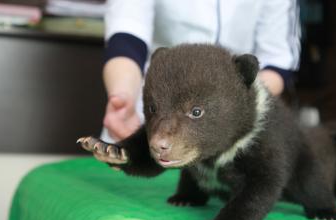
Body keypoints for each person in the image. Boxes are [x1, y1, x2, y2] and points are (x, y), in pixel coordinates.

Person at [101, 0, 301, 142]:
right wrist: (122, 95)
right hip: (149, 119)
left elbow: (277, 62)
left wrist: (233, 108)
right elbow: (127, 39)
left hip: (231, 125)